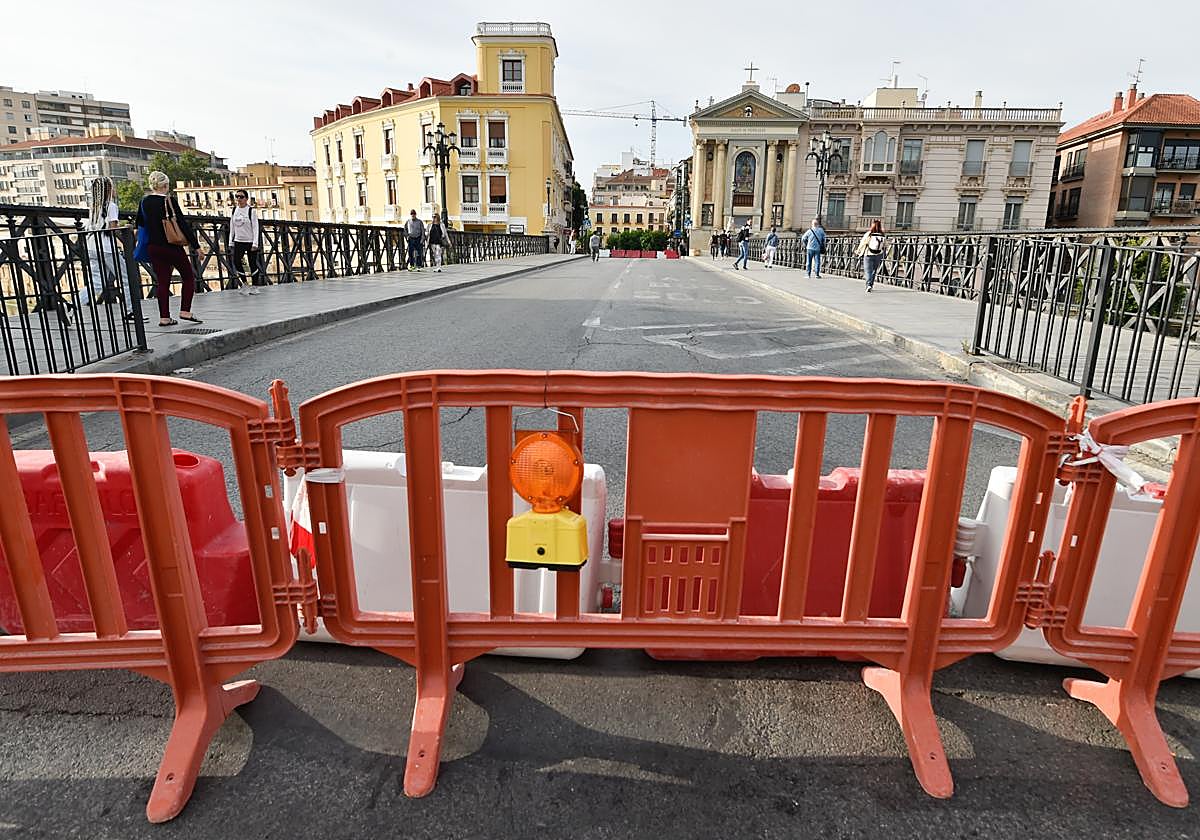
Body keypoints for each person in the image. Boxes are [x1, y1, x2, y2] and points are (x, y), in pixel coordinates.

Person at [136, 171, 204, 327]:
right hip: (171, 245)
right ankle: (185, 310)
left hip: (153, 247)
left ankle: (164, 317)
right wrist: (196, 246)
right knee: (188, 276)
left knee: (163, 282)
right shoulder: (169, 200)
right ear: (165, 185)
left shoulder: (144, 202)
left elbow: (140, 223)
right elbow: (182, 224)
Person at [82, 176, 144, 322]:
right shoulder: (111, 206)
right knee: (127, 278)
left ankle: (72, 306)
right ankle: (131, 311)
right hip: (107, 248)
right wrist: (126, 227)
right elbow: (112, 228)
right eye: (112, 186)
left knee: (97, 282)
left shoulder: (93, 207)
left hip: (92, 246)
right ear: (108, 190)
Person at [228, 190, 261, 295]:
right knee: (237, 262)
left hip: (250, 241)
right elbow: (232, 227)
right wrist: (230, 241)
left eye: (241, 197)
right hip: (238, 241)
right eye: (237, 196)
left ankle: (255, 286)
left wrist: (255, 243)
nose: (239, 199)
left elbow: (255, 227)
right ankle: (245, 284)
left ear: (246, 199)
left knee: (252, 263)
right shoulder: (234, 210)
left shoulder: (251, 211)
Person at [856, 219, 887, 292]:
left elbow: (863, 243)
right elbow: (885, 245)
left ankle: (869, 285)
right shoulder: (882, 235)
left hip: (868, 254)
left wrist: (858, 250)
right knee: (874, 271)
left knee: (868, 271)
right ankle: (871, 285)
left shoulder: (869, 234)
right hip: (878, 254)